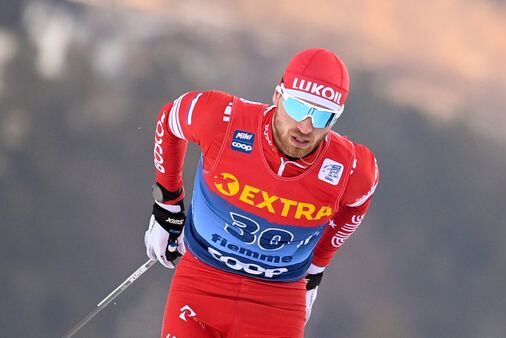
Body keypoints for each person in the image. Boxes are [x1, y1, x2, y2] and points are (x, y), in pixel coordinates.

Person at [144, 48, 379, 338]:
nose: (306, 126)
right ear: (278, 96)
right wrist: (168, 205)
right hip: (202, 284)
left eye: (321, 116)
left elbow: (359, 202)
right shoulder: (224, 120)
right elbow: (170, 120)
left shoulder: (350, 167)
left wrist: (317, 266)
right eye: (298, 107)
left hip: (277, 305)